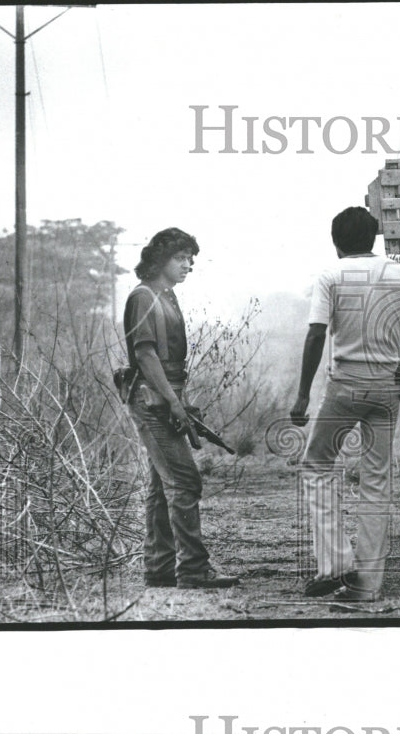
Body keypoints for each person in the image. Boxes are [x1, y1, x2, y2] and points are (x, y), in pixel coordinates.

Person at [290, 207, 400, 602]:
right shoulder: (399, 272)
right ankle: (369, 583)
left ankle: (336, 564)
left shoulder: (330, 276)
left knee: (317, 464)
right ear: (374, 238)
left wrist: (303, 394)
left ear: (336, 241)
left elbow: (315, 335)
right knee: (377, 480)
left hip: (345, 385)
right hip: (389, 384)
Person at [123, 228, 237, 590]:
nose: (188, 265)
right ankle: (192, 570)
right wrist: (174, 404)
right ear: (160, 259)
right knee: (184, 481)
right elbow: (144, 353)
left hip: (166, 399)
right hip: (152, 402)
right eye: (181, 258)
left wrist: (181, 403)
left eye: (191, 259)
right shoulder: (143, 297)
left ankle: (159, 568)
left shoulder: (165, 296)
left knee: (162, 487)